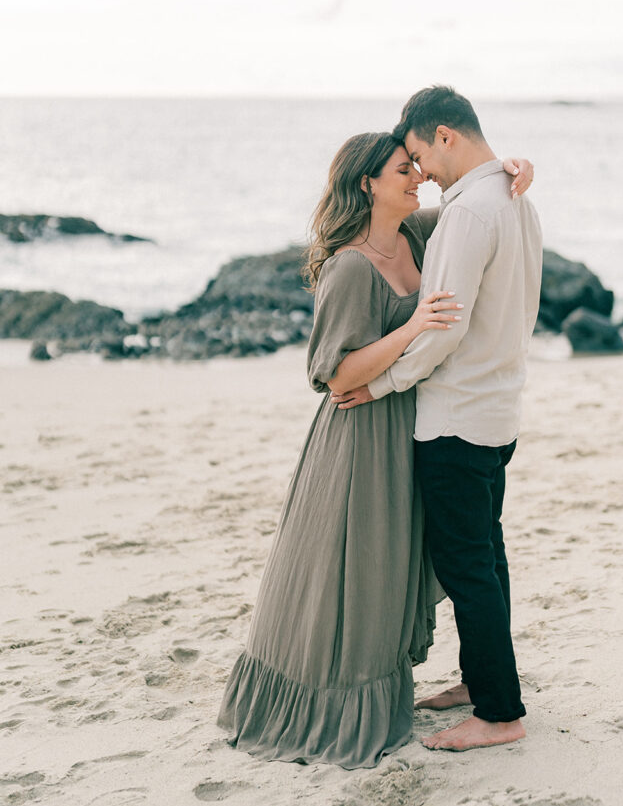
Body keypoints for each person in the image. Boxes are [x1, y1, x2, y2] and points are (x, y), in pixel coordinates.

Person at [216, 128, 534, 769]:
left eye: (415, 166)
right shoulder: (349, 266)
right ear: (367, 184)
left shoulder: (417, 235)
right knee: (354, 568)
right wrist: (415, 326)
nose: (417, 176)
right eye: (401, 171)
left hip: (408, 425)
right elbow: (336, 375)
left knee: (402, 563)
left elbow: (473, 204)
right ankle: (340, 705)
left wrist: (511, 166)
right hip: (360, 434)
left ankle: (478, 682)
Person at [332, 86, 542, 753]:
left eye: (420, 155)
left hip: (457, 418)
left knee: (468, 567)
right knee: (486, 558)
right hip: (498, 409)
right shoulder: (514, 198)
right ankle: (484, 684)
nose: (421, 172)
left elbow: (443, 328)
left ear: (445, 135)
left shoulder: (472, 212)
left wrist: (385, 382)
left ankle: (499, 713)